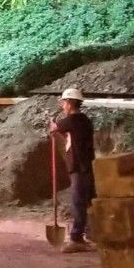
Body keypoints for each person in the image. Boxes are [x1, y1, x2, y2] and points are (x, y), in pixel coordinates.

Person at [49, 86, 96, 253]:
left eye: (64, 102)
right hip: (86, 165)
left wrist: (53, 125)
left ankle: (77, 238)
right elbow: (70, 136)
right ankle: (91, 234)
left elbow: (55, 128)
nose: (62, 106)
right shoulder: (83, 120)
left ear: (69, 103)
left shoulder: (72, 120)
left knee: (78, 201)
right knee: (88, 200)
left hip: (79, 167)